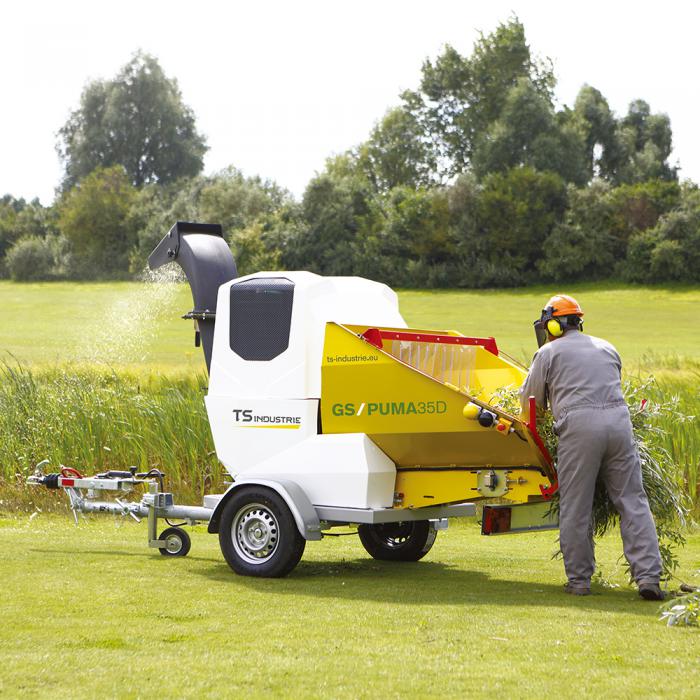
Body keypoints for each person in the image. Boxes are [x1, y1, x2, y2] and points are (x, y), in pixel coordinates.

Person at [519, 294, 664, 600]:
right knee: (632, 501)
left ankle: (579, 581)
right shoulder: (607, 347)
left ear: (554, 325)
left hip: (580, 427)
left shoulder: (547, 353)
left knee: (576, 505)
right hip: (620, 423)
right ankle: (649, 577)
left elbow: (530, 403)